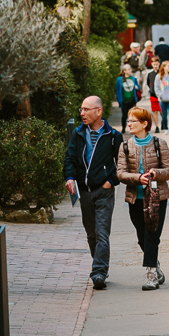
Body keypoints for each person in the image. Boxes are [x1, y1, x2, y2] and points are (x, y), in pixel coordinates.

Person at [63, 95, 121, 291]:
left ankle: (99, 272)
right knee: (91, 234)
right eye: (81, 109)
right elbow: (69, 159)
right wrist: (70, 178)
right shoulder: (78, 134)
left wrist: (110, 181)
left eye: (86, 109)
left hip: (104, 191)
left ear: (98, 111)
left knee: (102, 233)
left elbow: (120, 164)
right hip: (84, 192)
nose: (82, 113)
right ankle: (99, 267)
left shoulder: (113, 135)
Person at [117, 107, 169, 290]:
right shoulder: (125, 146)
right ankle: (155, 266)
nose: (129, 124)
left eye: (133, 121)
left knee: (152, 235)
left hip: (157, 198)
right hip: (135, 198)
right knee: (142, 237)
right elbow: (120, 173)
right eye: (128, 121)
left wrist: (155, 174)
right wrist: (137, 178)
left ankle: (150, 275)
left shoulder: (159, 144)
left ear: (144, 124)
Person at [114, 64, 141, 135]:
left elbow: (138, 87)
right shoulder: (119, 79)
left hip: (132, 100)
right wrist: (119, 100)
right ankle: (123, 128)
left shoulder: (133, 78)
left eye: (130, 69)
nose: (130, 70)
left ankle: (133, 129)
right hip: (124, 100)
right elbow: (117, 89)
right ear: (124, 71)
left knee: (132, 116)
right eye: (128, 69)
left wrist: (137, 87)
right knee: (124, 115)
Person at [145, 55, 162, 133]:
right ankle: (157, 126)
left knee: (161, 111)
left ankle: (163, 122)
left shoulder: (161, 73)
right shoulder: (150, 74)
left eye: (157, 64)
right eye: (154, 64)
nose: (155, 66)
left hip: (161, 95)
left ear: (159, 64)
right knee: (154, 111)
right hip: (153, 95)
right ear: (152, 64)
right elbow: (148, 83)